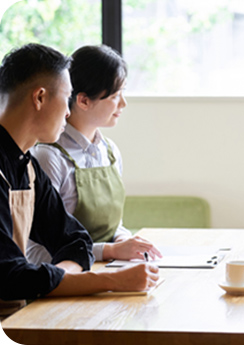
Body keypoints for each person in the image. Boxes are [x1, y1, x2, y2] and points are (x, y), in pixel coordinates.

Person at [0, 43, 159, 315]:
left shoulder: (27, 166)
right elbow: (10, 276)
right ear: (40, 98)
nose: (68, 111)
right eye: (67, 97)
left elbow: (76, 242)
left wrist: (59, 279)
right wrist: (110, 280)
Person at [29, 45, 161, 263]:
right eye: (115, 95)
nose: (123, 103)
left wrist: (123, 240)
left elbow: (113, 227)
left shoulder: (109, 152)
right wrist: (110, 251)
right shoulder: (48, 157)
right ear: (83, 100)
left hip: (108, 271)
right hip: (66, 283)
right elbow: (37, 252)